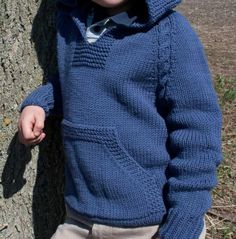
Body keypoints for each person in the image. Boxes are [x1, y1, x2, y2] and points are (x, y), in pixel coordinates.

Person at [17, 0, 223, 238]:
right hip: (77, 217)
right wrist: (41, 103)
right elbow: (80, 82)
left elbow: (198, 132)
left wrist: (184, 219)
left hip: (146, 226)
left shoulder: (169, 33)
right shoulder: (73, 23)